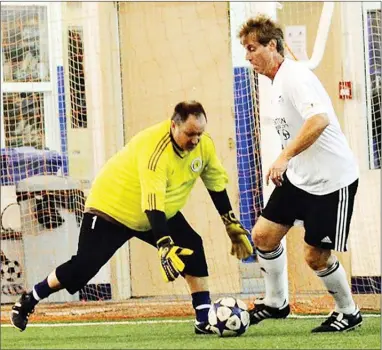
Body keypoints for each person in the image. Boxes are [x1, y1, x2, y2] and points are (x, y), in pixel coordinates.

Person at [10, 100, 253, 333]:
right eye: (190, 133)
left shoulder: (204, 146)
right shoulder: (155, 149)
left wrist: (230, 223)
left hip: (155, 211)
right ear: (173, 125)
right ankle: (30, 298)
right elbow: (152, 201)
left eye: (199, 133)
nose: (195, 140)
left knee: (192, 246)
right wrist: (164, 244)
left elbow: (215, 184)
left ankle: (204, 319)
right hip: (111, 210)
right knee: (83, 269)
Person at [238, 15, 362, 332]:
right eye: (245, 50)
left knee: (315, 256)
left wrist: (283, 157)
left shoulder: (295, 77)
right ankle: (276, 303)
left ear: (273, 46)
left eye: (252, 48)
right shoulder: (275, 82)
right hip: (299, 177)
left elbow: (318, 120)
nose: (248, 56)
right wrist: (289, 162)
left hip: (332, 180)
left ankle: (348, 311)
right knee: (263, 236)